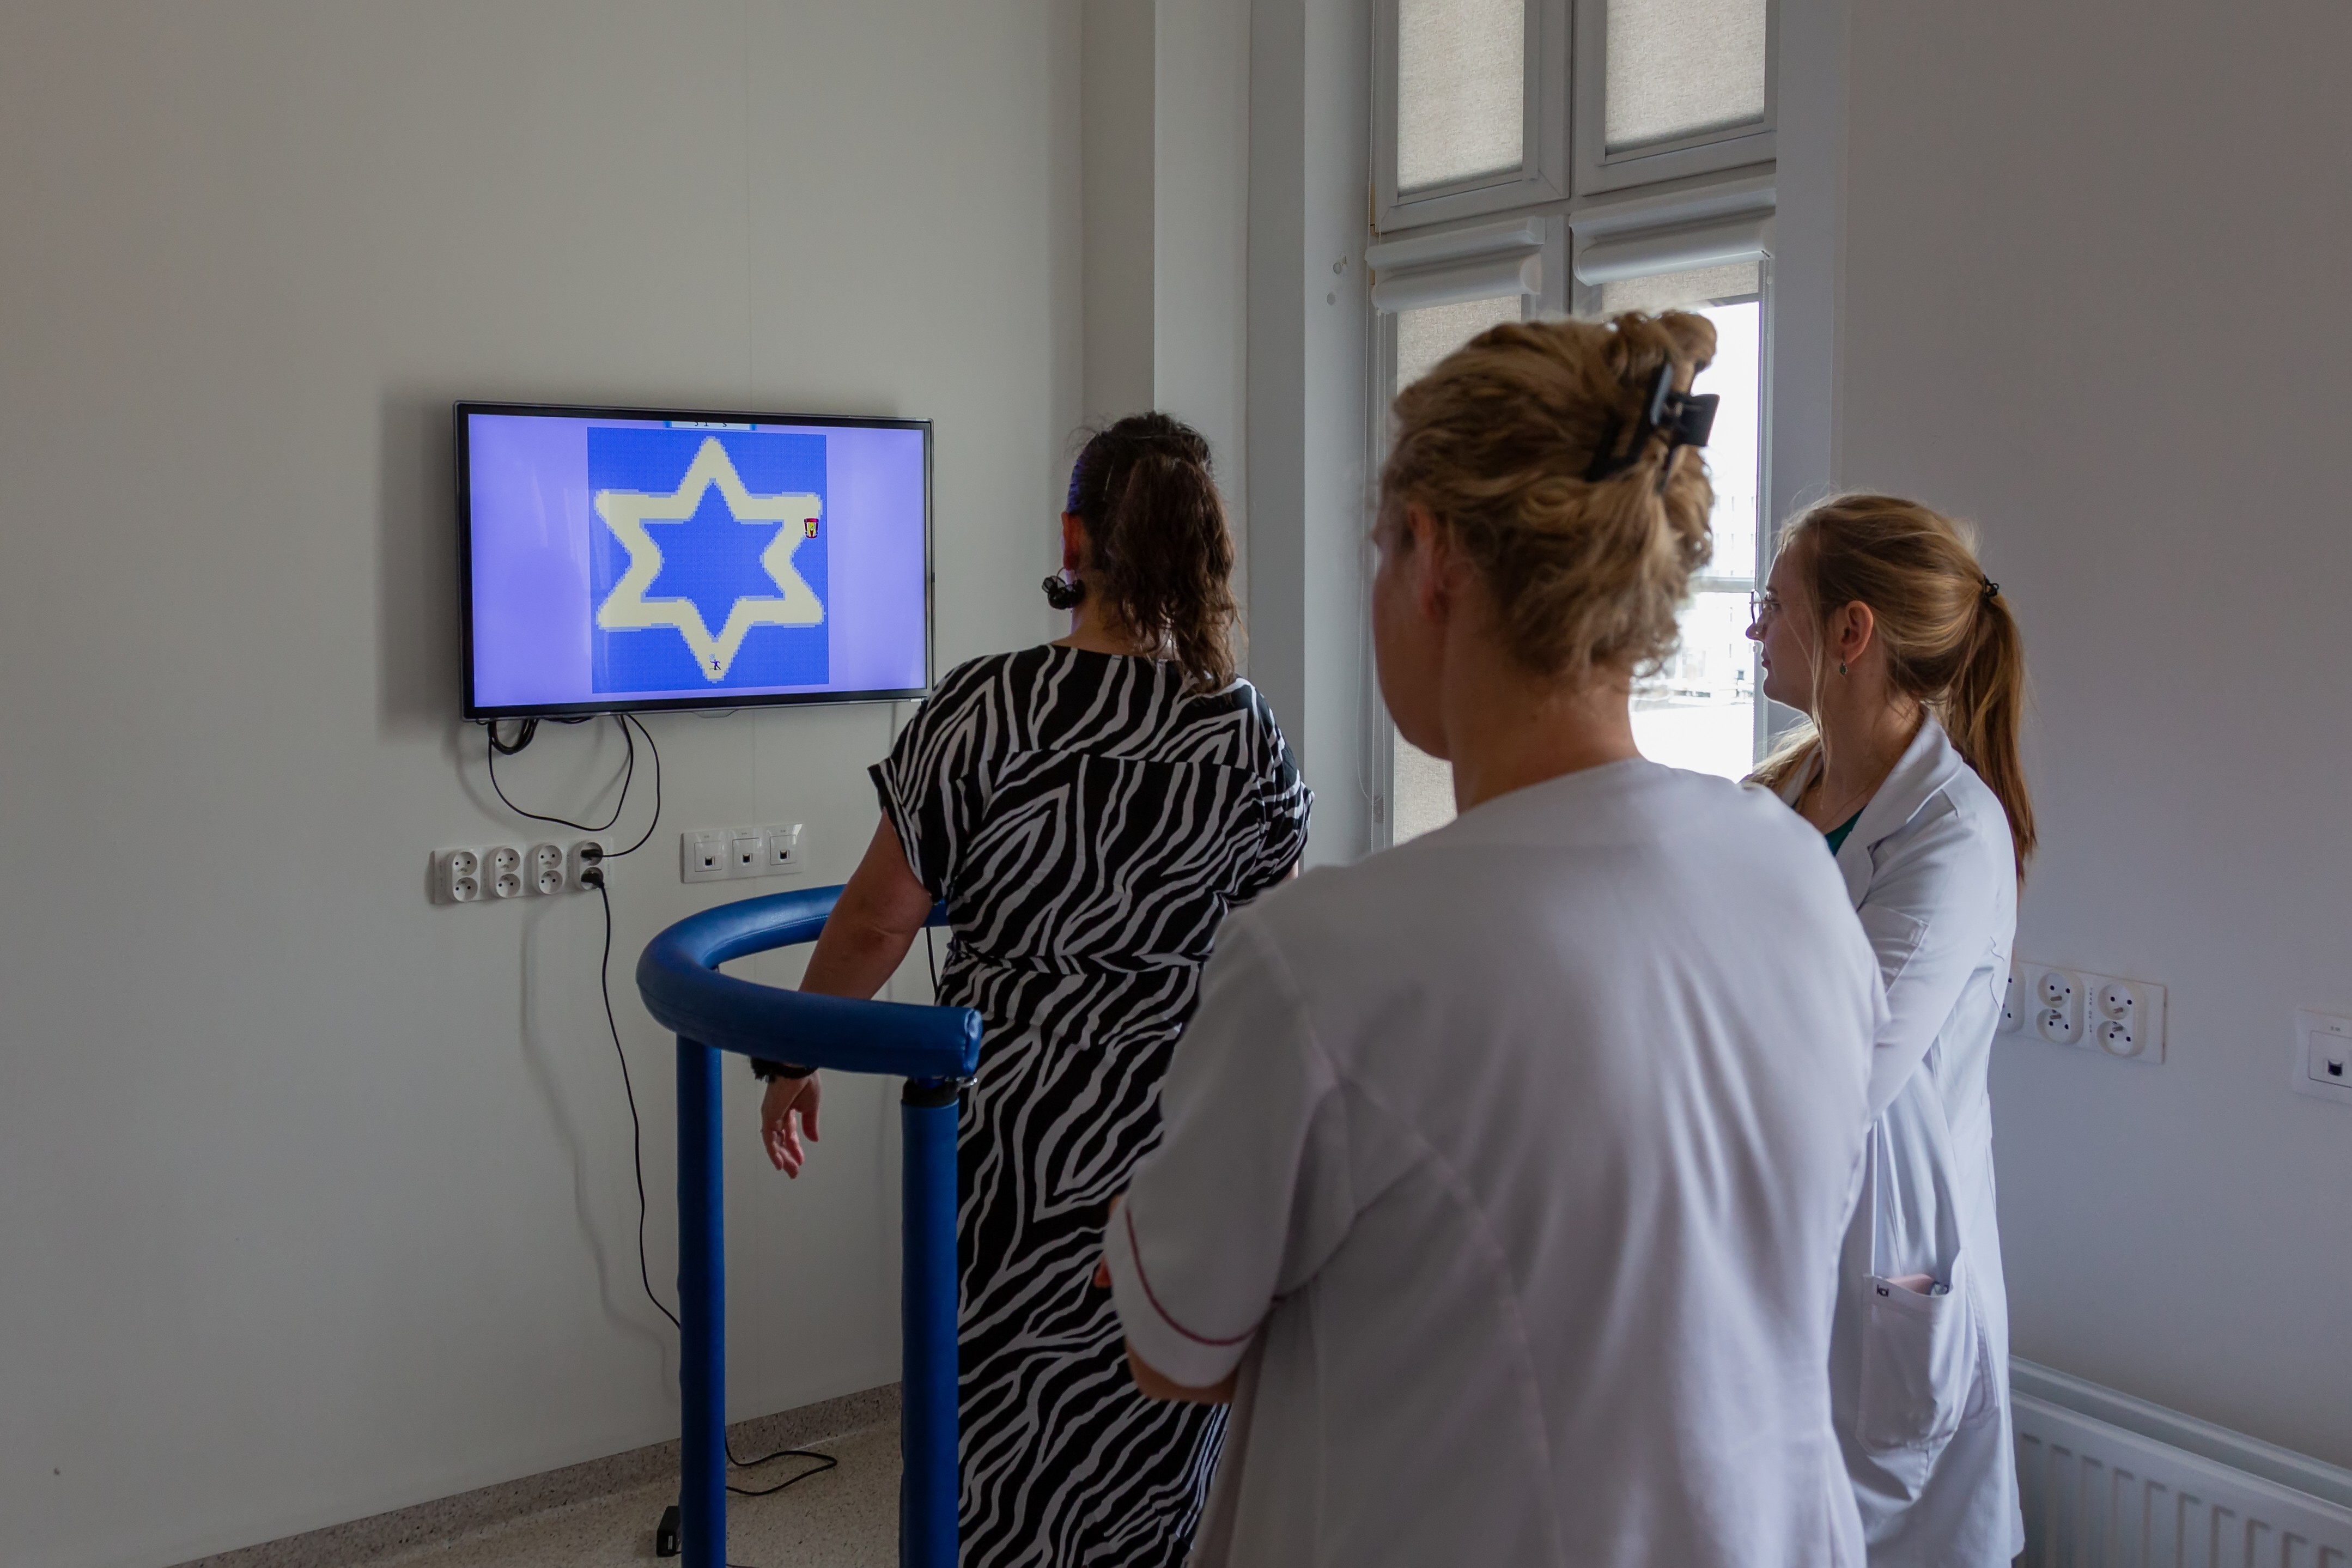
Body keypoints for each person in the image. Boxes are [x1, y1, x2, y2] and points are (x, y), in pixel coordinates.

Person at [1098, 314, 1885, 1567]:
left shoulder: (1326, 960)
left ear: (1433, 556)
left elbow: (1171, 1350)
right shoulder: (1791, 875)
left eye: (1377, 549)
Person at [750, 413, 1309, 1567]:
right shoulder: (1241, 729)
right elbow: (1277, 949)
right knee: (1158, 1432)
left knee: (996, 1426)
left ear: (1073, 538)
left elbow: (876, 920)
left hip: (1014, 1132)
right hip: (1176, 1130)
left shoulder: (986, 706)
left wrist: (792, 1054)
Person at [1746, 496, 2032, 1565]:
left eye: (1772, 603)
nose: (1754, 626)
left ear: (1849, 632)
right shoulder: (1777, 792)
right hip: (1784, 1264)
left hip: (1884, 1270)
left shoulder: (1951, 837)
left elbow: (1834, 1077)